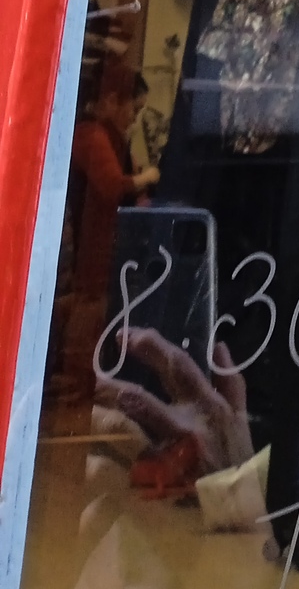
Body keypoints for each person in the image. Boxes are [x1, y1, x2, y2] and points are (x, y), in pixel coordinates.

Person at [58, 63, 157, 409]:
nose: (133, 118)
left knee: (96, 315)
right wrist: (147, 177)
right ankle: (75, 389)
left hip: (100, 246)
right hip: (92, 248)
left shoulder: (105, 136)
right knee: (89, 315)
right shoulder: (92, 135)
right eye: (134, 109)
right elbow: (112, 186)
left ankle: (83, 387)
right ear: (113, 101)